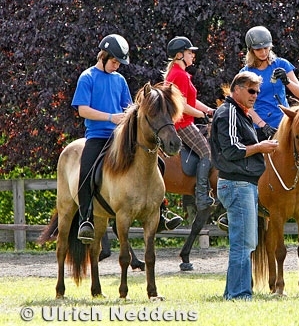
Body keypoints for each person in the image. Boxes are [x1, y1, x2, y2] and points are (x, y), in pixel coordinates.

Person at [217, 25, 299, 230]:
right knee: (245, 156)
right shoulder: (246, 73)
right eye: (259, 49)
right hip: (258, 124)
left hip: (286, 122)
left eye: (266, 48)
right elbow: (244, 105)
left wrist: (286, 81)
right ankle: (230, 209)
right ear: (251, 50)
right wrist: (262, 125)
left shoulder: (282, 64)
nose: (263, 52)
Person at [73, 34, 182, 244]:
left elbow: (129, 107)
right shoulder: (87, 77)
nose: (117, 66)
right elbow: (83, 110)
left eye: (119, 63)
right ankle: (86, 219)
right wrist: (110, 117)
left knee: (157, 161)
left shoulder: (120, 80)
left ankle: (162, 209)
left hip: (120, 135)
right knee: (87, 170)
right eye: (114, 62)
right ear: (103, 56)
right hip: (97, 136)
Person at [210, 71, 279, 300]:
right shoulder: (229, 112)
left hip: (243, 184)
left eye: (257, 92)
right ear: (236, 89)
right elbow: (231, 150)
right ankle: (239, 295)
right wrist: (260, 147)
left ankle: (232, 292)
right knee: (242, 244)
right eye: (251, 90)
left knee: (246, 242)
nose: (255, 95)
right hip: (236, 184)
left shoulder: (242, 114)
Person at [163, 36, 216, 216]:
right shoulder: (179, 75)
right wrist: (202, 115)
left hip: (183, 121)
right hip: (182, 123)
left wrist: (209, 110)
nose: (193, 55)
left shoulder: (179, 74)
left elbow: (191, 100)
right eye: (189, 52)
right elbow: (183, 106)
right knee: (206, 152)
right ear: (179, 55)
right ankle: (201, 195)